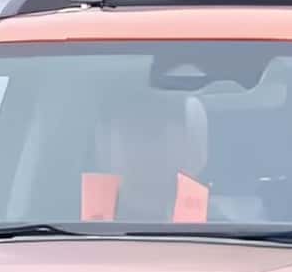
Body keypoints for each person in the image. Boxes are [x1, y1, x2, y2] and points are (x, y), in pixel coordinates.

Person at [79, 92, 209, 223]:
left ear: (186, 145)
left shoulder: (215, 225)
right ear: (103, 145)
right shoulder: (73, 224)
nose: (144, 147)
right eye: (131, 134)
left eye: (155, 133)